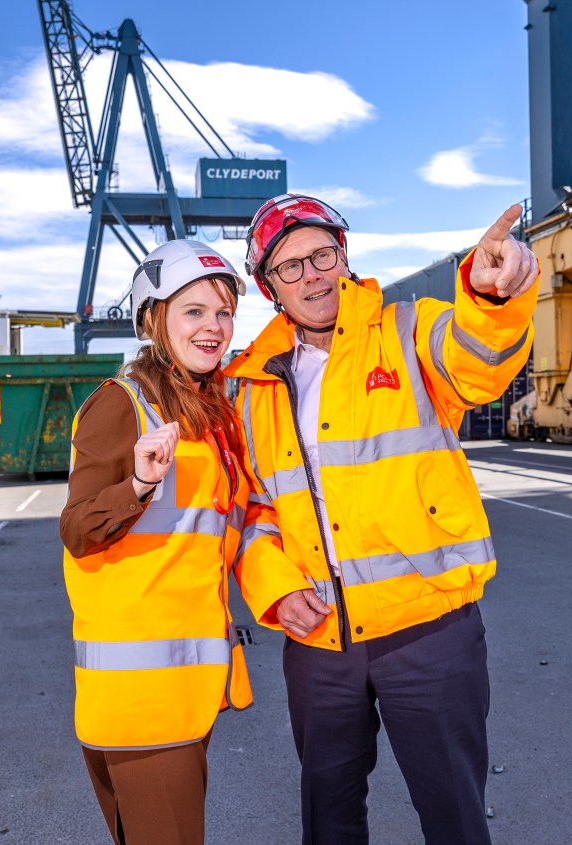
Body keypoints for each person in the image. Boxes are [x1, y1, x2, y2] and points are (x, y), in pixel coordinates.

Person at [226, 194, 539, 844]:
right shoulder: (253, 387)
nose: (312, 274)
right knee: (329, 821)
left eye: (322, 255)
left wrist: (492, 298)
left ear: (344, 256)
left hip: (428, 631)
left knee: (455, 817)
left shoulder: (407, 329)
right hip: (321, 647)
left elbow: (479, 363)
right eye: (291, 267)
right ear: (270, 288)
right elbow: (252, 508)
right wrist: (275, 587)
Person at [60, 239, 253, 845]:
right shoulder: (122, 405)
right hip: (143, 700)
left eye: (223, 312)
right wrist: (141, 482)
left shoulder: (206, 410)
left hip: (180, 689)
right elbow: (78, 530)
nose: (213, 327)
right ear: (154, 320)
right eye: (194, 311)